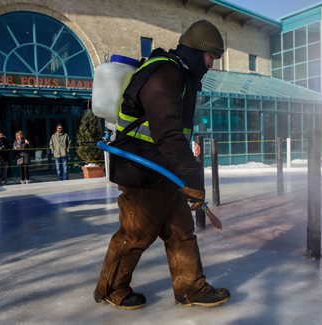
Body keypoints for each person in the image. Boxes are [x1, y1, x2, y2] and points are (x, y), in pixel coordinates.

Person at [94, 20, 230, 310]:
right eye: (211, 57)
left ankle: (190, 287)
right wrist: (192, 175)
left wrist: (183, 174)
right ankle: (111, 288)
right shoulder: (165, 75)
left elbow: (173, 136)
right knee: (135, 235)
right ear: (197, 51)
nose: (212, 64)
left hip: (164, 172)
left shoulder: (179, 75)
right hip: (142, 172)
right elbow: (167, 132)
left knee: (182, 231)